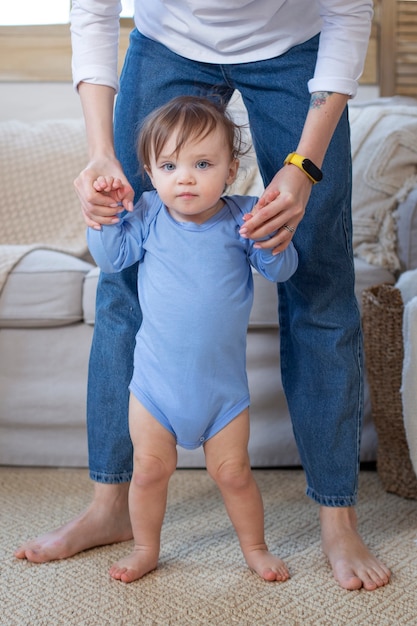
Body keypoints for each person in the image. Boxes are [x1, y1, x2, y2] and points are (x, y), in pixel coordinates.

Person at [15, 0, 391, 591]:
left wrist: (303, 166)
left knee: (319, 280)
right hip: (167, 45)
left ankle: (338, 517)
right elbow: (91, 11)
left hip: (295, 50)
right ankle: (111, 506)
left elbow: (348, 12)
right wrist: (99, 153)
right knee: (124, 283)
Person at [86, 95, 298, 583]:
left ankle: (256, 547)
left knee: (233, 475)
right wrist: (109, 215)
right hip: (155, 390)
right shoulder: (145, 215)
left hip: (222, 396)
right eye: (169, 165)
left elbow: (281, 270)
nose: (185, 177)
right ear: (149, 171)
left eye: (202, 164)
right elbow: (112, 259)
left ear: (231, 170)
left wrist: (275, 236)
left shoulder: (243, 219)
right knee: (148, 472)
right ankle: (144, 548)